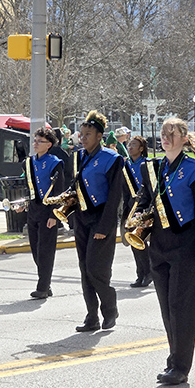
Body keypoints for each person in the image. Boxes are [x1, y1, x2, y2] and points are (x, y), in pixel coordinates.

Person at [134, 117, 195, 384]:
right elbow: (145, 199)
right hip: (159, 245)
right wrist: (137, 219)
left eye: (172, 133)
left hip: (186, 245)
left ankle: (181, 367)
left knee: (182, 307)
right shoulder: (153, 168)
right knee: (167, 307)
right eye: (163, 133)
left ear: (184, 138)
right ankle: (173, 360)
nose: (165, 137)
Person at [70, 110, 124, 332]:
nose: (83, 138)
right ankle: (91, 316)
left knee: (96, 269)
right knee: (84, 269)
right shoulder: (79, 157)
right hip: (82, 217)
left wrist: (105, 226)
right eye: (82, 134)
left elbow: (115, 198)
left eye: (88, 134)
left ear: (100, 136)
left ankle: (110, 309)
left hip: (101, 218)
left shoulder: (112, 159)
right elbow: (76, 187)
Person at [25, 127, 64, 299]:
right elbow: (29, 187)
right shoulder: (29, 162)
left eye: (39, 141)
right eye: (35, 140)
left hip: (48, 209)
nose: (35, 144)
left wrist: (54, 215)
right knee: (35, 249)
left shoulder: (55, 163)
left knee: (45, 250)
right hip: (33, 208)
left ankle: (42, 288)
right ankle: (46, 283)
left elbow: (59, 190)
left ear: (48, 145)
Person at [123, 135, 153, 287]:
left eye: (133, 145)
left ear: (141, 149)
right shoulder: (125, 165)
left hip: (145, 208)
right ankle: (140, 274)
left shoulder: (147, 164)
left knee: (141, 241)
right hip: (131, 208)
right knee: (134, 241)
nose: (130, 147)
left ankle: (148, 273)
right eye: (129, 144)